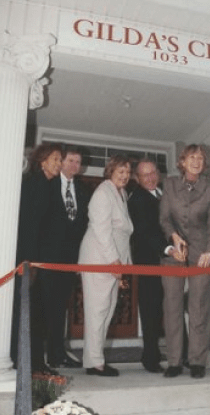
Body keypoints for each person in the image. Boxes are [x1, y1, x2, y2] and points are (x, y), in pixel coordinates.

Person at [159, 144, 210, 379]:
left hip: (201, 254)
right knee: (172, 306)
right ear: (182, 162)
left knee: (199, 308)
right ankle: (174, 361)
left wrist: (209, 251)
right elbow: (164, 219)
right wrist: (173, 237)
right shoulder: (170, 184)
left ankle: (197, 361)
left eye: (201, 158)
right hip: (174, 253)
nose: (196, 161)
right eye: (192, 157)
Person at [78, 155, 134, 377]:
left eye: (128, 172)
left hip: (113, 262)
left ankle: (95, 359)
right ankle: (94, 363)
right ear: (110, 171)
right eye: (121, 171)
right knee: (97, 311)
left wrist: (123, 268)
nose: (125, 175)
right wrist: (114, 261)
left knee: (105, 312)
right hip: (100, 259)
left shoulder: (121, 194)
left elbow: (123, 233)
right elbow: (102, 230)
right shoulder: (103, 192)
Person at [11, 143, 63, 375]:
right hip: (31, 263)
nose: (59, 164)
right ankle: (26, 364)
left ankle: (36, 364)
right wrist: (29, 264)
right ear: (42, 161)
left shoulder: (51, 186)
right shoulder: (33, 185)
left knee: (39, 315)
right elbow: (29, 227)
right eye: (55, 159)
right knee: (27, 315)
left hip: (43, 262)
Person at [39, 145, 89, 369]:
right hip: (46, 258)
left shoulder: (83, 189)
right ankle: (38, 357)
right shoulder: (47, 184)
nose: (73, 165)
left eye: (77, 162)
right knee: (43, 307)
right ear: (61, 162)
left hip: (69, 260)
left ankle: (58, 354)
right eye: (70, 160)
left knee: (61, 307)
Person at [127, 158, 168, 373]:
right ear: (137, 178)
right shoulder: (137, 199)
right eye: (145, 175)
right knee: (151, 310)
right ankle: (150, 357)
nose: (150, 177)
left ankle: (174, 353)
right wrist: (168, 249)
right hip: (149, 262)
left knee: (169, 308)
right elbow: (146, 231)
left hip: (166, 263)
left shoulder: (162, 194)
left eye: (153, 173)